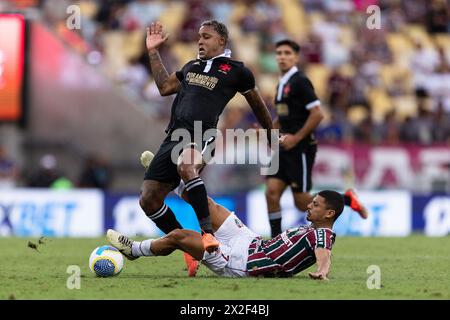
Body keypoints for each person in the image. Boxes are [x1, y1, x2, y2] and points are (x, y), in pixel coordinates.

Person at [141, 20, 273, 252]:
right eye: (199, 37)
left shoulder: (237, 71)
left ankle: (207, 235)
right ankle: (188, 247)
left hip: (203, 134)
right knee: (149, 199)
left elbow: (257, 104)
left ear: (221, 41)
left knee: (187, 166)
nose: (200, 41)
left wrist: (272, 133)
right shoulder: (191, 67)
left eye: (206, 36)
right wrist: (153, 51)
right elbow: (163, 87)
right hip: (174, 136)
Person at [107, 189, 344, 280]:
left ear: (329, 213)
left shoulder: (322, 234)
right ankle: (171, 180)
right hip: (250, 242)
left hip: (241, 263)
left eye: (315, 205)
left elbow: (324, 253)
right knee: (210, 206)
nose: (309, 206)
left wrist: (322, 271)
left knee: (180, 236)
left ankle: (135, 251)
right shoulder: (312, 229)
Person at [266, 39, 368, 238]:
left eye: (287, 53)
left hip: (299, 148)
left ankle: (346, 199)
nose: (282, 57)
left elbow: (317, 114)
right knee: (271, 192)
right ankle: (275, 239)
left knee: (300, 200)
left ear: (296, 57)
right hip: (282, 149)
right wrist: (270, 131)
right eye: (279, 53)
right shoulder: (281, 84)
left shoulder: (300, 81)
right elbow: (282, 116)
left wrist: (295, 138)